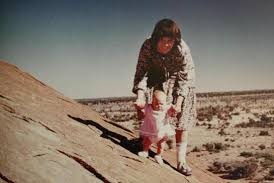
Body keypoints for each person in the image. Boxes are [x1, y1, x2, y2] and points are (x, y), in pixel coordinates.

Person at [132, 18, 196, 176]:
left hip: (182, 80)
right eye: (163, 40)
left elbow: (184, 79)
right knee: (149, 107)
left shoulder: (182, 49)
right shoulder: (148, 46)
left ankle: (181, 161)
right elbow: (141, 73)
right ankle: (145, 140)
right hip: (157, 74)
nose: (167, 44)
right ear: (156, 38)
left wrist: (179, 103)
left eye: (170, 41)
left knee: (182, 118)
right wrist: (140, 97)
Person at [137, 90, 175, 165]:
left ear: (165, 103)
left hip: (162, 132)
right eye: (156, 103)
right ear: (152, 102)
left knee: (161, 145)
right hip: (151, 131)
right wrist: (139, 105)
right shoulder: (149, 108)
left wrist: (174, 109)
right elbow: (142, 106)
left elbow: (172, 111)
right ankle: (145, 151)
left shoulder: (166, 109)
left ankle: (159, 155)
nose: (159, 105)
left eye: (161, 104)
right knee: (147, 142)